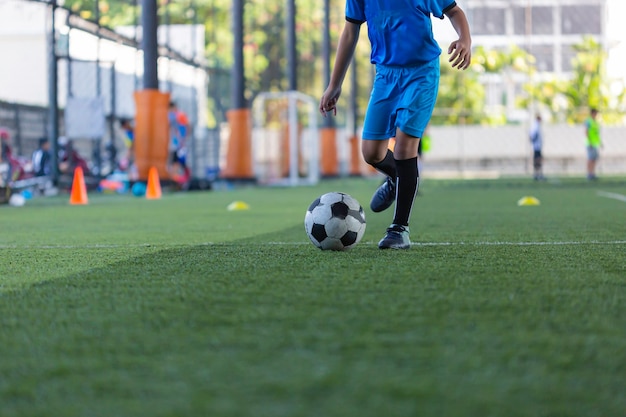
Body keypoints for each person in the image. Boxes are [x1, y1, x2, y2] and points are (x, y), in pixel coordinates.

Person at [319, 0, 471, 249]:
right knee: (371, 153)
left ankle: (399, 229)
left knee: (404, 148)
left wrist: (465, 38)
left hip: (421, 74)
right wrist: (334, 85)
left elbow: (454, 11)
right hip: (385, 75)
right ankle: (395, 180)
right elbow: (349, 32)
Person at [584, 108, 601, 180]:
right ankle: (589, 174)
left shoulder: (596, 122)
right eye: (595, 113)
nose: (596, 115)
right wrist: (590, 142)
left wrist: (600, 143)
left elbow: (596, 134)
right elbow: (586, 132)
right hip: (590, 143)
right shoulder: (588, 121)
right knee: (590, 159)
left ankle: (593, 173)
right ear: (592, 113)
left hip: (595, 143)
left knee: (594, 159)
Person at [529, 113, 545, 181]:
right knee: (538, 160)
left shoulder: (537, 125)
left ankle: (538, 174)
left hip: (538, 146)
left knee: (539, 160)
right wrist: (534, 143)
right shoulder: (535, 125)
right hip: (536, 147)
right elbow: (532, 135)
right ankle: (537, 174)